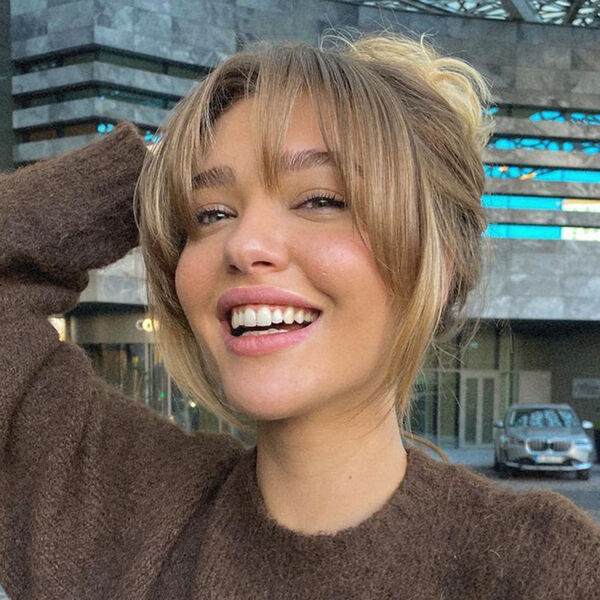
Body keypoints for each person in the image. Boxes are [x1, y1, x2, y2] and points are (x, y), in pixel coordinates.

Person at [0, 31, 598, 599]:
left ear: (437, 263)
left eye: (321, 199)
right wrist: (154, 170)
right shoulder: (123, 510)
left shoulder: (544, 568)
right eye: (211, 214)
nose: (243, 245)